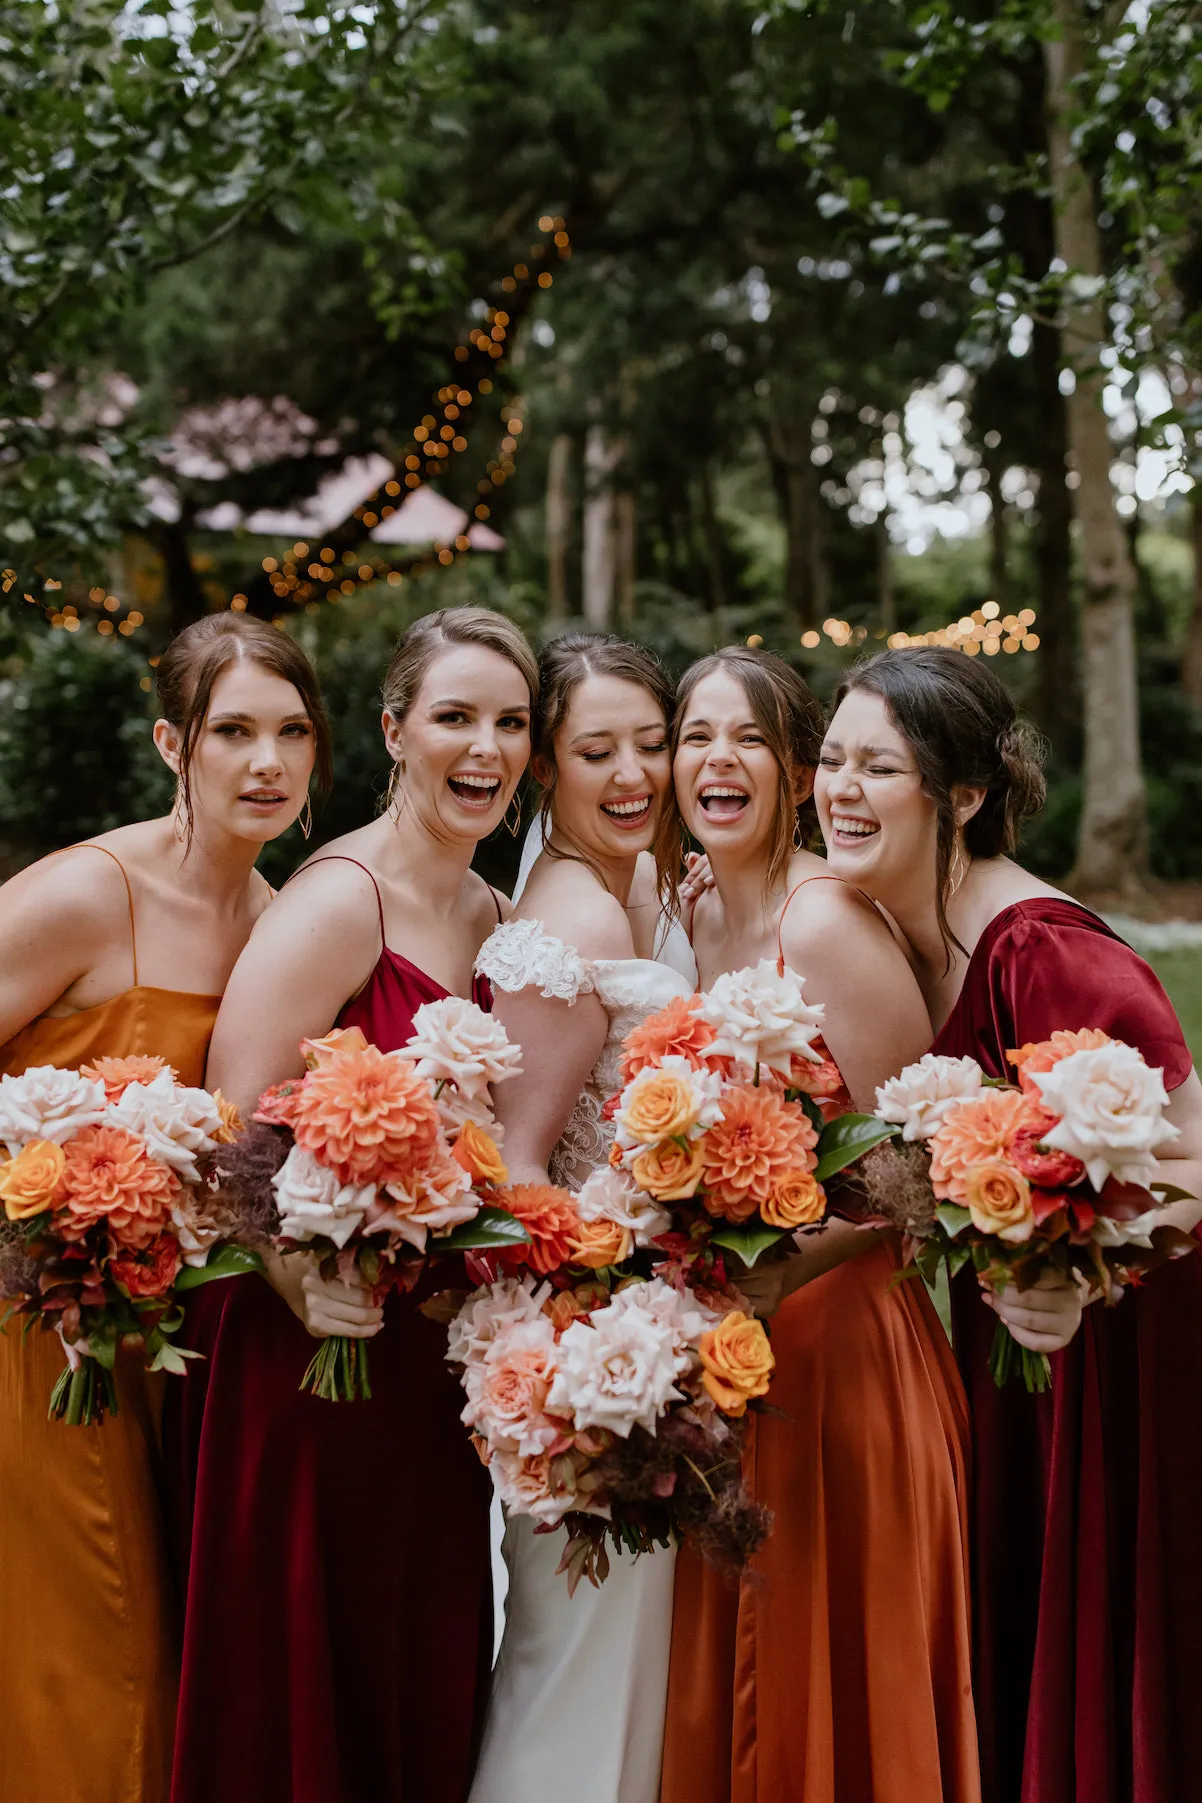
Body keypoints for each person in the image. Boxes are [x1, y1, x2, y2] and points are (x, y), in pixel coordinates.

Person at [164, 606, 537, 1803]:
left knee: (408, 1660)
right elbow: (230, 1127)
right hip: (306, 1350)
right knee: (302, 1676)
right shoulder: (337, 901)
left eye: (511, 722)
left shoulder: (490, 915)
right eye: (455, 718)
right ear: (392, 731)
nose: (485, 747)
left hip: (425, 1371)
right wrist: (298, 1275)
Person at [818, 645, 1202, 1803]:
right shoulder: (893, 923)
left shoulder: (1043, 947)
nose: (839, 787)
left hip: (1128, 1333)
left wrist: (1078, 1271)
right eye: (830, 759)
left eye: (876, 767)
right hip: (1015, 1325)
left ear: (964, 797)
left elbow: (1188, 1163)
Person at [0, 611, 328, 1803]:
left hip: (183, 1339)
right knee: (100, 1647)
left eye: (291, 732)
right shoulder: (88, 893)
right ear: (169, 745)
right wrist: (46, 1209)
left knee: (184, 1651)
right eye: (232, 731)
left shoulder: (283, 910)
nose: (266, 763)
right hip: (51, 1330)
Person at [659, 646, 981, 1803]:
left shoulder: (829, 923)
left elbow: (920, 1166)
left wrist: (779, 1271)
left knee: (834, 1670)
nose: (716, 760)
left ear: (794, 772)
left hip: (843, 1356)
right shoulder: (699, 919)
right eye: (694, 736)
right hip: (735, 1360)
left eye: (746, 737)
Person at [470, 632, 689, 1803]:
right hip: (594, 1359)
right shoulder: (560, 928)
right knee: (578, 1674)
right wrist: (597, 1369)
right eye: (595, 750)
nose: (632, 776)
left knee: (628, 1672)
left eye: (651, 745)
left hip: (659, 1328)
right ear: (545, 767)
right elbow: (519, 1173)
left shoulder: (637, 887)